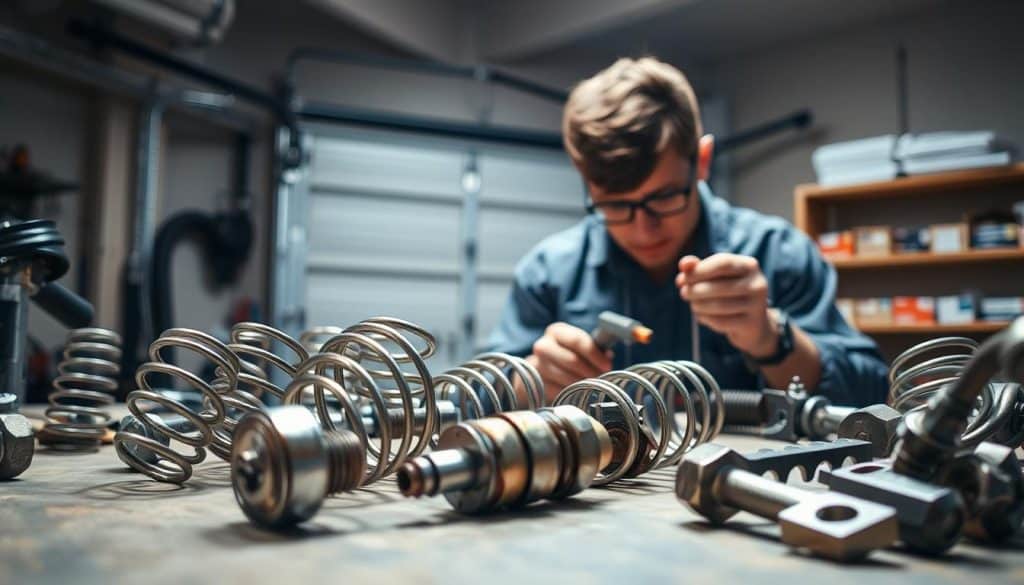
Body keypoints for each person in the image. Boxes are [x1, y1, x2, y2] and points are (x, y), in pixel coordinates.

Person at [486, 57, 888, 407]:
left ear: (702, 161)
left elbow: (872, 396)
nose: (643, 229)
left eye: (662, 198)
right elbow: (465, 402)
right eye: (616, 205)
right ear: (586, 183)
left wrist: (771, 338)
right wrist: (532, 379)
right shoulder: (548, 272)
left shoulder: (778, 254)